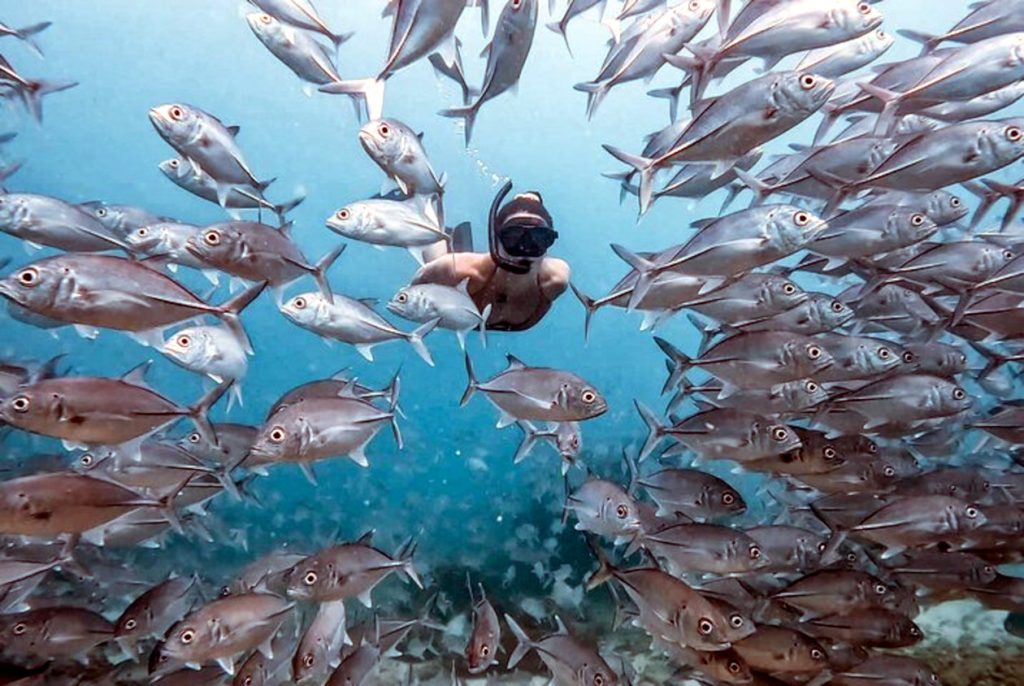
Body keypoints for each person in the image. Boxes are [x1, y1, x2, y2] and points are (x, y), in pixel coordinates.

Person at [411, 180, 570, 332]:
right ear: (494, 239)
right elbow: (414, 293)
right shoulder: (457, 269)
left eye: (538, 238)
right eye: (513, 237)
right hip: (460, 276)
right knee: (435, 249)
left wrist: (530, 206)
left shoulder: (555, 280)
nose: (524, 249)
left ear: (549, 242)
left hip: (468, 298)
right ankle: (424, 204)